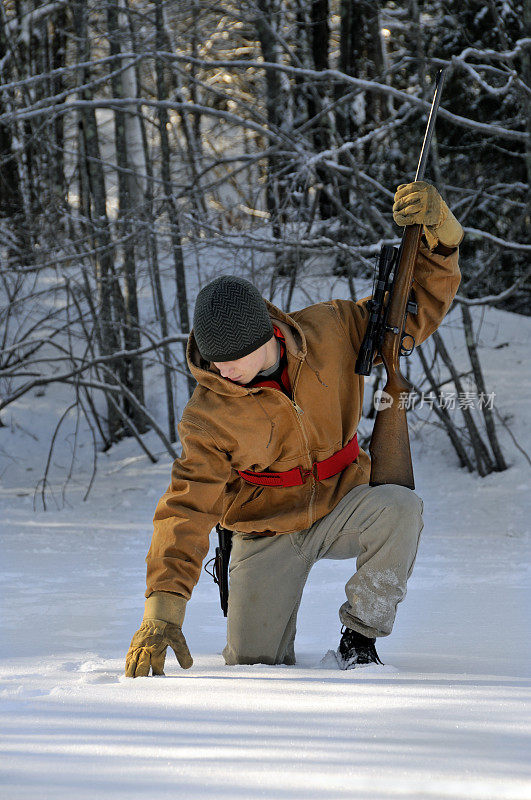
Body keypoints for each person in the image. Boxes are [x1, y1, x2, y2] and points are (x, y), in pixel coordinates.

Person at [125, 180, 463, 677]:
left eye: (235, 360)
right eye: (215, 363)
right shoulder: (208, 413)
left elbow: (413, 308)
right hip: (265, 531)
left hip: (343, 501)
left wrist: (444, 240)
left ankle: (361, 639)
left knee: (401, 509)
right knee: (253, 667)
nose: (225, 373)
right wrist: (163, 610)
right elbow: (188, 505)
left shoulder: (333, 329)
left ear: (267, 337)